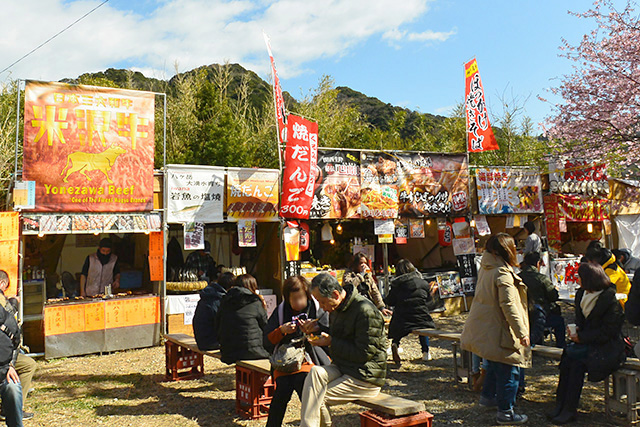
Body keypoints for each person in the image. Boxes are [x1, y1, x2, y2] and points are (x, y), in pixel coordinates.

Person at [300, 273, 387, 427]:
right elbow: (342, 336)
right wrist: (319, 329)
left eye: (322, 302)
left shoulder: (365, 311)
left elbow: (363, 353)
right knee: (315, 372)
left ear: (335, 294)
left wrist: (331, 342)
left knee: (317, 398)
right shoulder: (338, 307)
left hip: (366, 375)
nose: (322, 307)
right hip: (345, 367)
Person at [461, 233, 531, 425]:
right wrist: (522, 333)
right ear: (507, 250)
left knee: (493, 363)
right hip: (501, 328)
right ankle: (506, 412)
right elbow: (509, 306)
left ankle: (488, 397)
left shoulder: (486, 267)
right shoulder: (502, 272)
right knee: (510, 369)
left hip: (487, 326)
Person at [549, 263, 625, 424]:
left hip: (606, 347)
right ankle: (560, 404)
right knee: (567, 359)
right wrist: (577, 330)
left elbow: (608, 332)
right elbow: (580, 320)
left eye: (580, 277)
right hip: (587, 343)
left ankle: (570, 409)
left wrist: (582, 337)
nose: (577, 279)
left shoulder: (610, 300)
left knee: (577, 363)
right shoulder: (581, 294)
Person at [263, 276, 330, 427]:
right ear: (287, 299)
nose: (298, 303)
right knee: (282, 391)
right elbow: (267, 340)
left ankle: (318, 424)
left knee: (305, 385)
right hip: (285, 361)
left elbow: (330, 332)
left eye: (301, 298)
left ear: (307, 295)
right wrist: (281, 330)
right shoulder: (280, 311)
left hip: (310, 359)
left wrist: (315, 329)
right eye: (294, 299)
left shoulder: (318, 308)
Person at [385, 259, 438, 364]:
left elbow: (390, 301)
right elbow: (428, 302)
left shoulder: (397, 285)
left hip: (402, 318)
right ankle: (425, 352)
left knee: (397, 326)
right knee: (424, 327)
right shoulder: (423, 283)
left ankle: (395, 343)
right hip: (421, 317)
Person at [216, 274, 269, 364]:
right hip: (253, 352)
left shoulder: (225, 300)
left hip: (229, 352)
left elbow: (217, 324)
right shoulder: (255, 301)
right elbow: (265, 326)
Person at [519, 251, 565, 348]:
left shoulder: (518, 277)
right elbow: (553, 296)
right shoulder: (542, 278)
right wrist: (555, 290)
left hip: (522, 315)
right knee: (559, 321)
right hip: (541, 315)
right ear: (538, 263)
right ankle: (561, 346)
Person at [0, 271, 24, 427]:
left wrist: (11, 365)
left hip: (3, 369)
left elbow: (16, 343)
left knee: (13, 389)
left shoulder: (7, 320)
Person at [192, 272, 235, 351]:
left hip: (201, 339)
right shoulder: (218, 300)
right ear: (231, 287)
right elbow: (223, 324)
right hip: (210, 342)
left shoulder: (209, 294)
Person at [584, 241, 631, 306]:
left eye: (589, 261)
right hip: (613, 300)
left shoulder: (612, 270)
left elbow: (603, 286)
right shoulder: (605, 267)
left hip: (621, 303)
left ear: (595, 260)